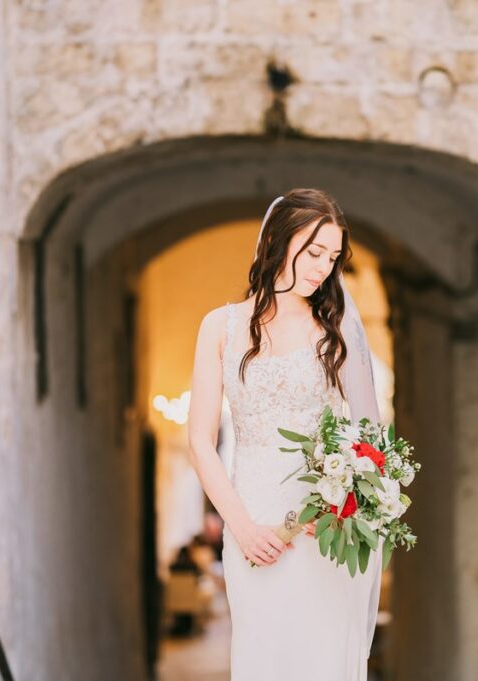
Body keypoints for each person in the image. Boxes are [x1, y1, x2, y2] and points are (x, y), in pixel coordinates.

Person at [187, 188, 382, 680]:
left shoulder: (334, 334)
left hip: (321, 531)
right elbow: (199, 442)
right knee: (264, 660)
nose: (323, 267)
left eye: (333, 257)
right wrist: (245, 530)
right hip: (250, 522)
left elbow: (368, 442)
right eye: (314, 252)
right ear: (278, 242)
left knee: (320, 660)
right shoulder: (220, 328)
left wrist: (336, 507)